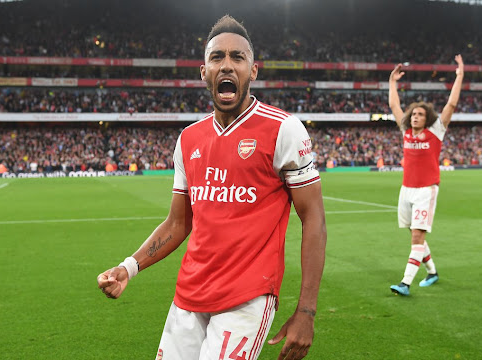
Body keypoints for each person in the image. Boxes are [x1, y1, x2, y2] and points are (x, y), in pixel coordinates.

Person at [97, 15, 327, 360]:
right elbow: (178, 223)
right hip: (188, 296)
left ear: (253, 71)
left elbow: (314, 219)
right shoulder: (188, 139)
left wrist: (306, 311)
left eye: (238, 57)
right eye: (217, 57)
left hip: (247, 298)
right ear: (203, 71)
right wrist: (128, 267)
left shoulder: (284, 130)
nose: (227, 65)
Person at [387, 54, 464, 296]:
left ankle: (405, 283)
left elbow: (450, 105)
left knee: (417, 235)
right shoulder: (406, 132)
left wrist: (459, 75)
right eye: (413, 114)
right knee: (414, 232)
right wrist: (392, 83)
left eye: (420, 114)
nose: (415, 117)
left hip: (426, 190)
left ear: (427, 117)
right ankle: (432, 272)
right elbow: (394, 106)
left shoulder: (436, 132)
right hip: (406, 189)